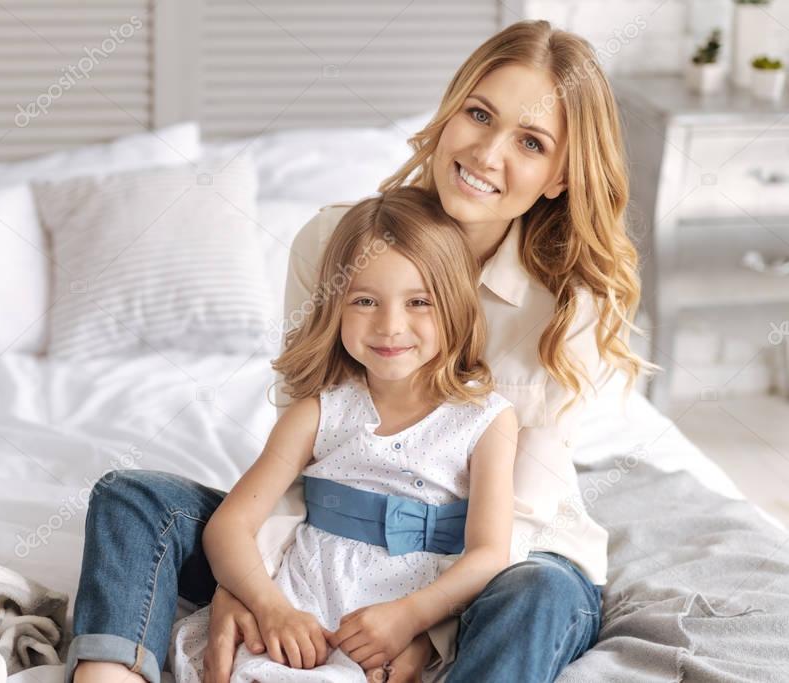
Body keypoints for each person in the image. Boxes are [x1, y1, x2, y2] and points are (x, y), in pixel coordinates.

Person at [70, 19, 651, 683]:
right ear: (449, 110)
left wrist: (421, 627)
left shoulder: (568, 304)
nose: (488, 153)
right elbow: (306, 441)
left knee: (538, 594)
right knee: (135, 498)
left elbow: (514, 518)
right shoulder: (331, 241)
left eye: (529, 141)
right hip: (335, 538)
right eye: (479, 114)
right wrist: (255, 584)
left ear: (556, 177)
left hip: (493, 558)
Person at [170, 187, 518, 682]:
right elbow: (229, 526)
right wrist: (272, 609)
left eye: (418, 301)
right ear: (335, 307)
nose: (390, 326)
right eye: (364, 301)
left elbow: (488, 555)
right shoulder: (318, 413)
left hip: (404, 619)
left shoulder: (486, 421)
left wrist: (414, 617)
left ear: (457, 306)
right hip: (305, 607)